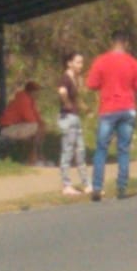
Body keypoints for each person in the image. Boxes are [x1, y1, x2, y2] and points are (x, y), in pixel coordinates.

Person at [86, 30, 137, 201]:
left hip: (108, 109)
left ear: (111, 42)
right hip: (127, 108)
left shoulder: (101, 61)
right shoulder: (133, 63)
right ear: (126, 43)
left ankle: (97, 187)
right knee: (123, 149)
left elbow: (91, 84)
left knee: (101, 149)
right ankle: (121, 187)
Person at [58, 52, 91, 196]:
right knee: (68, 151)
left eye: (81, 62)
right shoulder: (65, 78)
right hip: (68, 117)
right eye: (77, 62)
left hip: (75, 117)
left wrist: (84, 107)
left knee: (80, 151)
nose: (80, 66)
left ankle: (86, 184)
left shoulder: (76, 79)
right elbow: (62, 91)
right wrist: (67, 104)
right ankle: (66, 185)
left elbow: (77, 97)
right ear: (69, 63)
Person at [0, 81, 47, 166]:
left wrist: (42, 124)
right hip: (8, 129)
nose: (38, 94)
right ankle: (34, 157)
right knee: (36, 127)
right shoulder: (23, 99)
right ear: (31, 92)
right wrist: (40, 125)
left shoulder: (30, 100)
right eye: (37, 91)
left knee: (39, 127)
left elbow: (37, 116)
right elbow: (30, 118)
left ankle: (35, 156)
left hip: (16, 127)